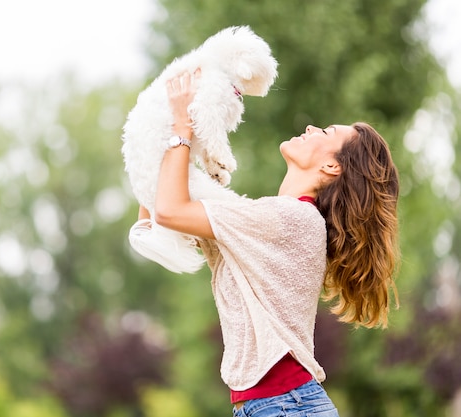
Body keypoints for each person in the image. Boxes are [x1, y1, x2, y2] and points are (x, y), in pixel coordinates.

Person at [138, 70, 400, 416]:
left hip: (285, 406)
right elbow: (153, 220)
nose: (311, 129)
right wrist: (156, 137)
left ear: (331, 165)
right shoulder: (265, 223)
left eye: (325, 132)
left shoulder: (291, 220)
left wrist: (181, 128)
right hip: (277, 406)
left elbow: (170, 211)